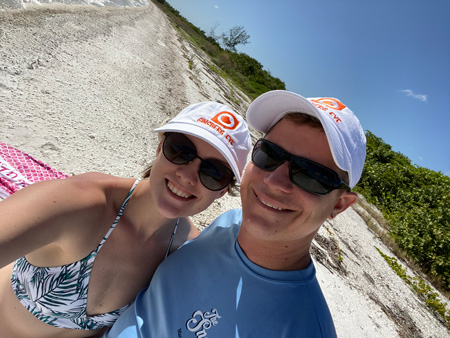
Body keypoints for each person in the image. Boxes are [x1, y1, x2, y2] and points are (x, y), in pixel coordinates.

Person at [103, 90, 367, 338]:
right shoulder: (229, 223)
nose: (275, 181)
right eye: (269, 155)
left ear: (339, 205)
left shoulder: (302, 328)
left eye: (312, 175)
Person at [0, 101, 252, 338]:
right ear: (159, 147)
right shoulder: (82, 204)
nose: (187, 176)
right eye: (180, 150)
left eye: (213, 172)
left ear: (221, 191)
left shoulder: (182, 253)